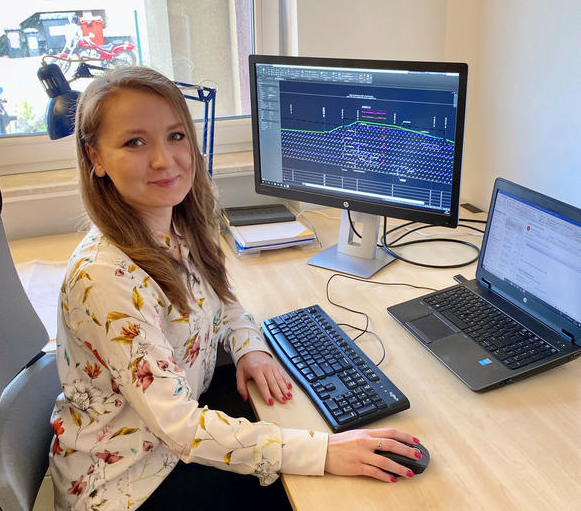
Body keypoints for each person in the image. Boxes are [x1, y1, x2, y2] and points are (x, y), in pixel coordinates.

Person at [49, 66, 423, 511]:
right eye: (134, 142)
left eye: (175, 136)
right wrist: (324, 452)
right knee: (336, 496)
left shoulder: (174, 223)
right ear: (95, 157)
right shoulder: (105, 277)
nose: (164, 160)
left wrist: (250, 348)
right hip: (129, 481)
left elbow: (222, 301)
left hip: (170, 433)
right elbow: (182, 429)